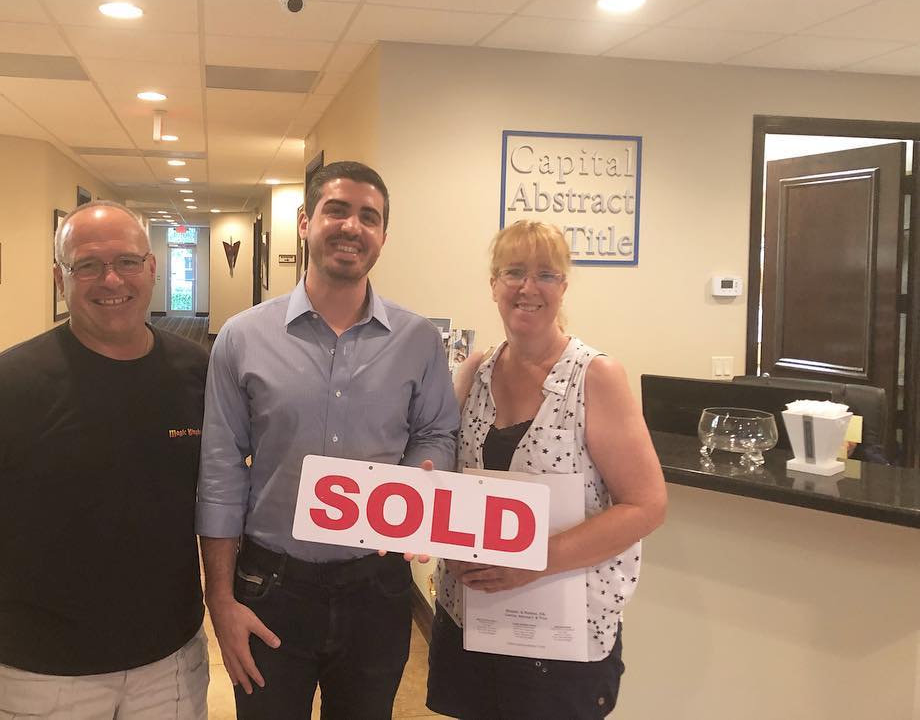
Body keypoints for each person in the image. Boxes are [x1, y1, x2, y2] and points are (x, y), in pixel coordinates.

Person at [0, 201, 210, 719]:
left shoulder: (198, 372)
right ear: (60, 279)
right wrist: (21, 547)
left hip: (170, 659)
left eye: (127, 261)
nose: (111, 279)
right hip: (41, 670)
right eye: (88, 265)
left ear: (152, 269)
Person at [198, 160, 459, 720]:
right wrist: (220, 600)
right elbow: (220, 471)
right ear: (305, 221)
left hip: (378, 588)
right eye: (337, 210)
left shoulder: (418, 342)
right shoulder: (243, 338)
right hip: (271, 588)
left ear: (384, 237)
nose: (352, 227)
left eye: (370, 217)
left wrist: (417, 481)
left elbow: (438, 432)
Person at [426, 220, 667, 720]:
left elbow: (647, 505)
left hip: (559, 640)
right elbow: (447, 481)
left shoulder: (596, 377)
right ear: (493, 284)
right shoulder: (474, 372)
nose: (527, 287)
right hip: (472, 619)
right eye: (513, 272)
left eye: (545, 274)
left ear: (564, 286)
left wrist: (532, 559)